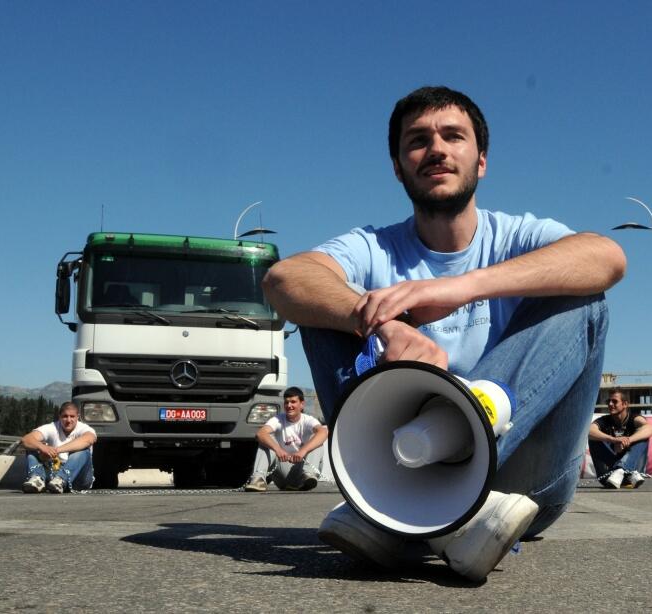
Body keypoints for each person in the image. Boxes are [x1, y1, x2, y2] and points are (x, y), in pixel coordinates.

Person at [263, 86, 625, 580]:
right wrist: (376, 321)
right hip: (401, 465)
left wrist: (458, 288)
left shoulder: (516, 234)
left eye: (453, 136)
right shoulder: (373, 247)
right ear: (398, 167)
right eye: (418, 140)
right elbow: (283, 279)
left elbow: (607, 257)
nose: (436, 148)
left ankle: (416, 511)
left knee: (585, 298)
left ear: (480, 162)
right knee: (324, 303)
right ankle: (435, 518)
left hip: (525, 486)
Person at [244, 387, 327, 492]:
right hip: (282, 471)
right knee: (266, 439)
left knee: (316, 440)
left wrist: (303, 451)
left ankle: (308, 476)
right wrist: (278, 449)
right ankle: (258, 479)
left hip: (302, 470)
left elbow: (324, 432)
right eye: (286, 402)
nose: (289, 406)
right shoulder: (278, 419)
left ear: (302, 404)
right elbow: (261, 434)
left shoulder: (308, 420)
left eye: (293, 402)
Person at [20, 401, 97, 494]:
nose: (68, 420)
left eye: (72, 416)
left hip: (79, 479)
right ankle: (37, 479)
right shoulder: (52, 427)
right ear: (59, 416)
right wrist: (42, 447)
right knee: (32, 447)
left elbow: (88, 440)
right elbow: (26, 440)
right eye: (65, 416)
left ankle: (61, 480)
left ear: (78, 417)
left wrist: (56, 450)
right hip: (53, 474)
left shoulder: (84, 428)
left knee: (83, 450)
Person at [588, 388, 652, 489]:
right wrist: (613, 440)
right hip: (610, 477)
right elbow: (589, 431)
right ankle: (619, 470)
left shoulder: (634, 418)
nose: (610, 404)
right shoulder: (604, 420)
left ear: (625, 404)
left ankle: (622, 469)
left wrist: (627, 440)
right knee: (593, 438)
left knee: (643, 437)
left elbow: (650, 429)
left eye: (614, 401)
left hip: (633, 475)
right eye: (608, 401)